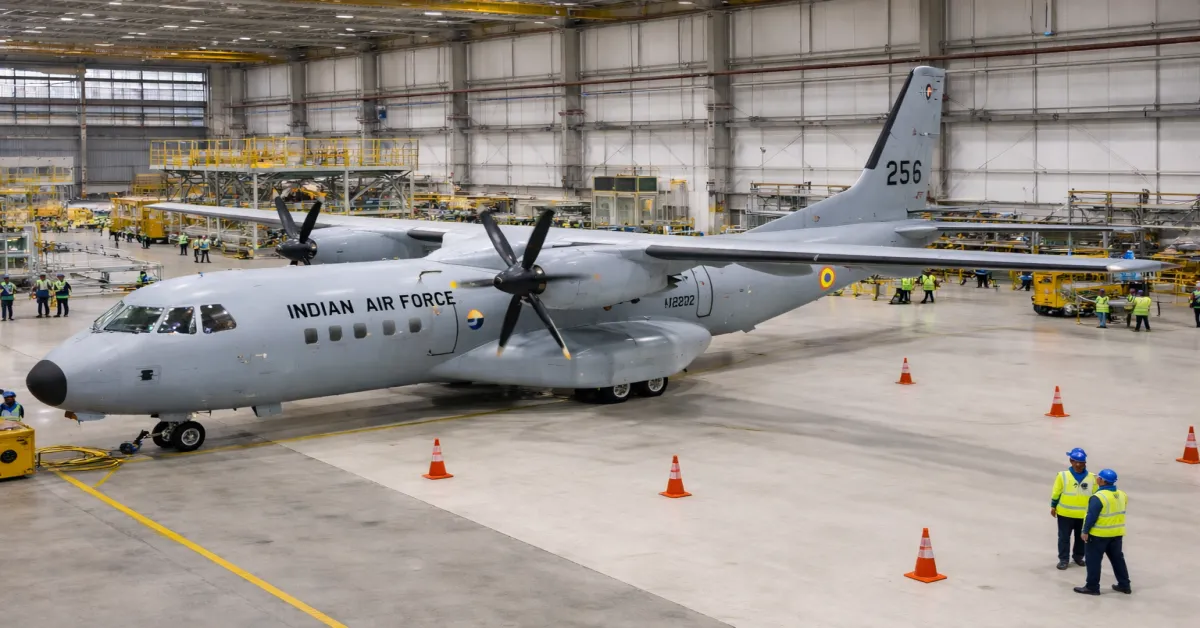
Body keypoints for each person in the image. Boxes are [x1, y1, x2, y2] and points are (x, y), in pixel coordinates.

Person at [1074, 469, 1131, 595]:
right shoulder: (1122, 495)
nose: (1096, 479)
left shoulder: (1098, 497)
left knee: (1093, 561)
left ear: (1103, 481)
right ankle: (1124, 584)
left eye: (1098, 477)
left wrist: (1085, 531)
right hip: (1116, 534)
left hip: (1098, 535)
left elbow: (1091, 516)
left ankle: (1092, 587)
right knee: (1118, 559)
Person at [1051, 448, 1097, 570]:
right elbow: (1056, 492)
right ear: (1071, 461)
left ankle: (1078, 557)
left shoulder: (1092, 478)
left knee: (1081, 538)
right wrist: (1053, 505)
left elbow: (1095, 496)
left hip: (1083, 515)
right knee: (1064, 538)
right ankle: (1063, 559)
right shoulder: (1062, 476)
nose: (1078, 465)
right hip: (1065, 513)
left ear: (1085, 463)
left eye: (1081, 462)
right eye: (1075, 461)